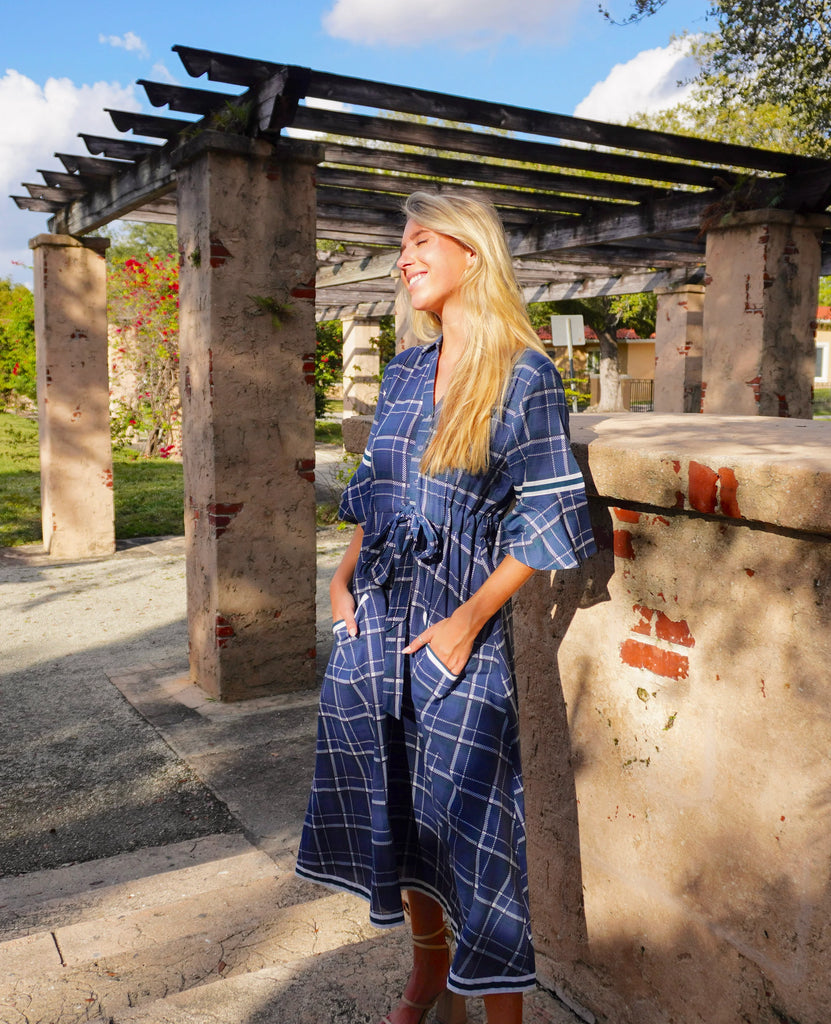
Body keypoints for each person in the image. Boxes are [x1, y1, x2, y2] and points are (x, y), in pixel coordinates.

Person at [296, 191, 596, 1024]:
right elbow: (375, 494)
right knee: (397, 814)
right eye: (403, 245)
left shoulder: (525, 374)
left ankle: (499, 1016)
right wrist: (341, 579)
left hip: (456, 634)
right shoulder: (403, 371)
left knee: (477, 839)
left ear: (473, 251)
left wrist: (468, 623)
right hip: (372, 624)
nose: (405, 257)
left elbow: (548, 513)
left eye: (422, 240)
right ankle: (428, 977)